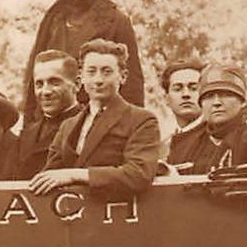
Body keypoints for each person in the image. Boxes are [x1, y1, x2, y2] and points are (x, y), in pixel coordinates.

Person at [21, 0, 144, 116]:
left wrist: (130, 128)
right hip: (52, 118)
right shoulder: (53, 19)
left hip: (97, 118)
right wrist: (30, 127)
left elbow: (132, 83)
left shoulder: (116, 20)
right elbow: (34, 77)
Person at [29, 38, 161, 197]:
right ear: (82, 77)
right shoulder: (68, 126)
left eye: (106, 72)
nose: (98, 80)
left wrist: (75, 175)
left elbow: (138, 174)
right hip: (71, 215)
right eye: (91, 72)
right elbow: (50, 175)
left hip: (116, 214)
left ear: (123, 76)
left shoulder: (142, 120)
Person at [168, 63, 247, 174]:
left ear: (242, 101)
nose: (216, 102)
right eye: (208, 96)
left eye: (225, 94)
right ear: (201, 103)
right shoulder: (184, 145)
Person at [16, 50, 80, 178]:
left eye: (54, 82)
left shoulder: (87, 125)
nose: (45, 91)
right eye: (39, 84)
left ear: (77, 84)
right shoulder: (28, 133)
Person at [160, 57, 204, 148]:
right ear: (166, 98)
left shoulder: (216, 139)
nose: (186, 94)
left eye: (193, 88)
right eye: (177, 89)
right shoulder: (163, 146)